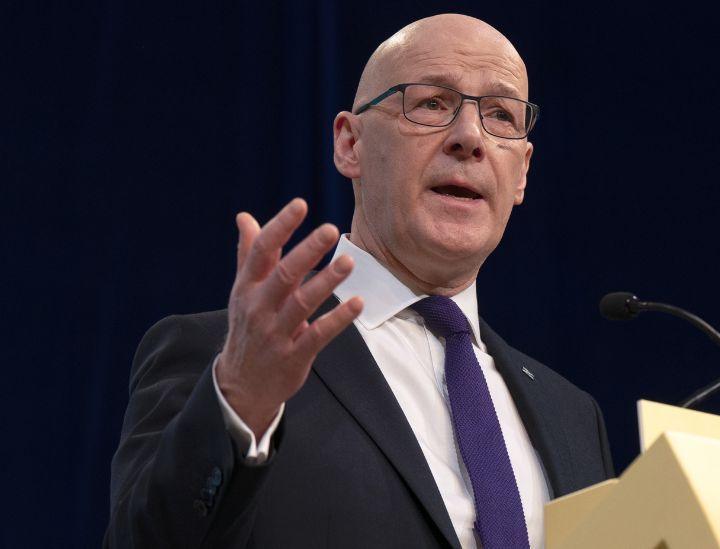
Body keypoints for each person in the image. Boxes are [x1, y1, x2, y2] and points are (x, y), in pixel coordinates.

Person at [106, 13, 613, 549]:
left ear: (522, 173)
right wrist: (236, 407)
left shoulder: (574, 417)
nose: (470, 138)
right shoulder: (224, 360)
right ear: (350, 144)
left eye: (502, 116)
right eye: (431, 103)